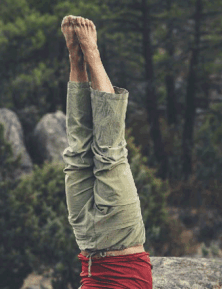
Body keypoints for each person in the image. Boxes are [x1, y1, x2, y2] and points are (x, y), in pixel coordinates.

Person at [61, 15, 153, 289]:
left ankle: (76, 59)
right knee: (109, 154)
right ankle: (92, 54)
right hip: (121, 243)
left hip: (87, 246)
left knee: (77, 154)